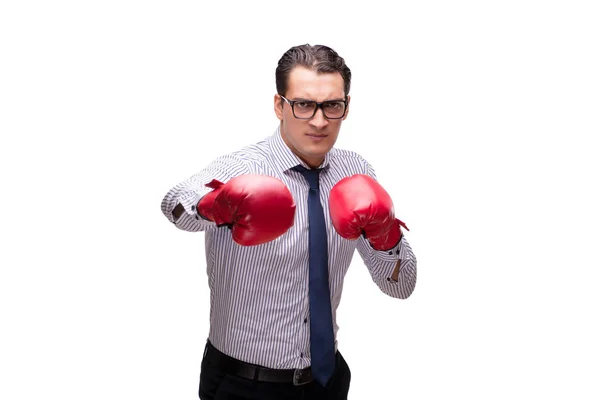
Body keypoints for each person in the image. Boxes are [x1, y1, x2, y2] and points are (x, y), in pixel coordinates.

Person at [161, 43, 417, 400]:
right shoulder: (242, 167)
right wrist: (215, 204)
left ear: (346, 107)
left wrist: (386, 234)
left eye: (332, 105)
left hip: (326, 381)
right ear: (280, 105)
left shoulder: (356, 170)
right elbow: (174, 205)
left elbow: (400, 285)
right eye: (303, 104)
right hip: (243, 384)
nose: (318, 120)